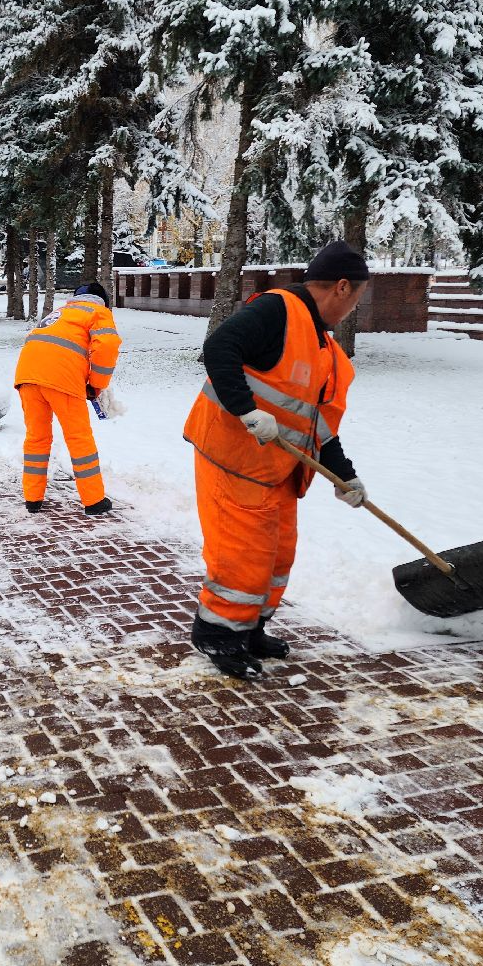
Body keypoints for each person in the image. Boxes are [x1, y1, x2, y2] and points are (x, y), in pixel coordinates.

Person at [183, 240, 371, 680]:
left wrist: (345, 477)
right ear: (342, 287)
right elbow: (219, 347)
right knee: (241, 557)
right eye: (357, 298)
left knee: (278, 556)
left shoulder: (324, 348)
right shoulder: (278, 310)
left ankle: (249, 629)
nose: (354, 309)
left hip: (277, 468)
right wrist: (246, 410)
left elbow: (317, 425)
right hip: (233, 458)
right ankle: (218, 635)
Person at [13, 281, 120, 516]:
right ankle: (94, 501)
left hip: (27, 376)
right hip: (62, 379)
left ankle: (33, 498)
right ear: (102, 301)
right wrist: (96, 385)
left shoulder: (60, 313)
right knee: (79, 438)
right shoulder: (98, 312)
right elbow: (108, 345)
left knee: (36, 438)